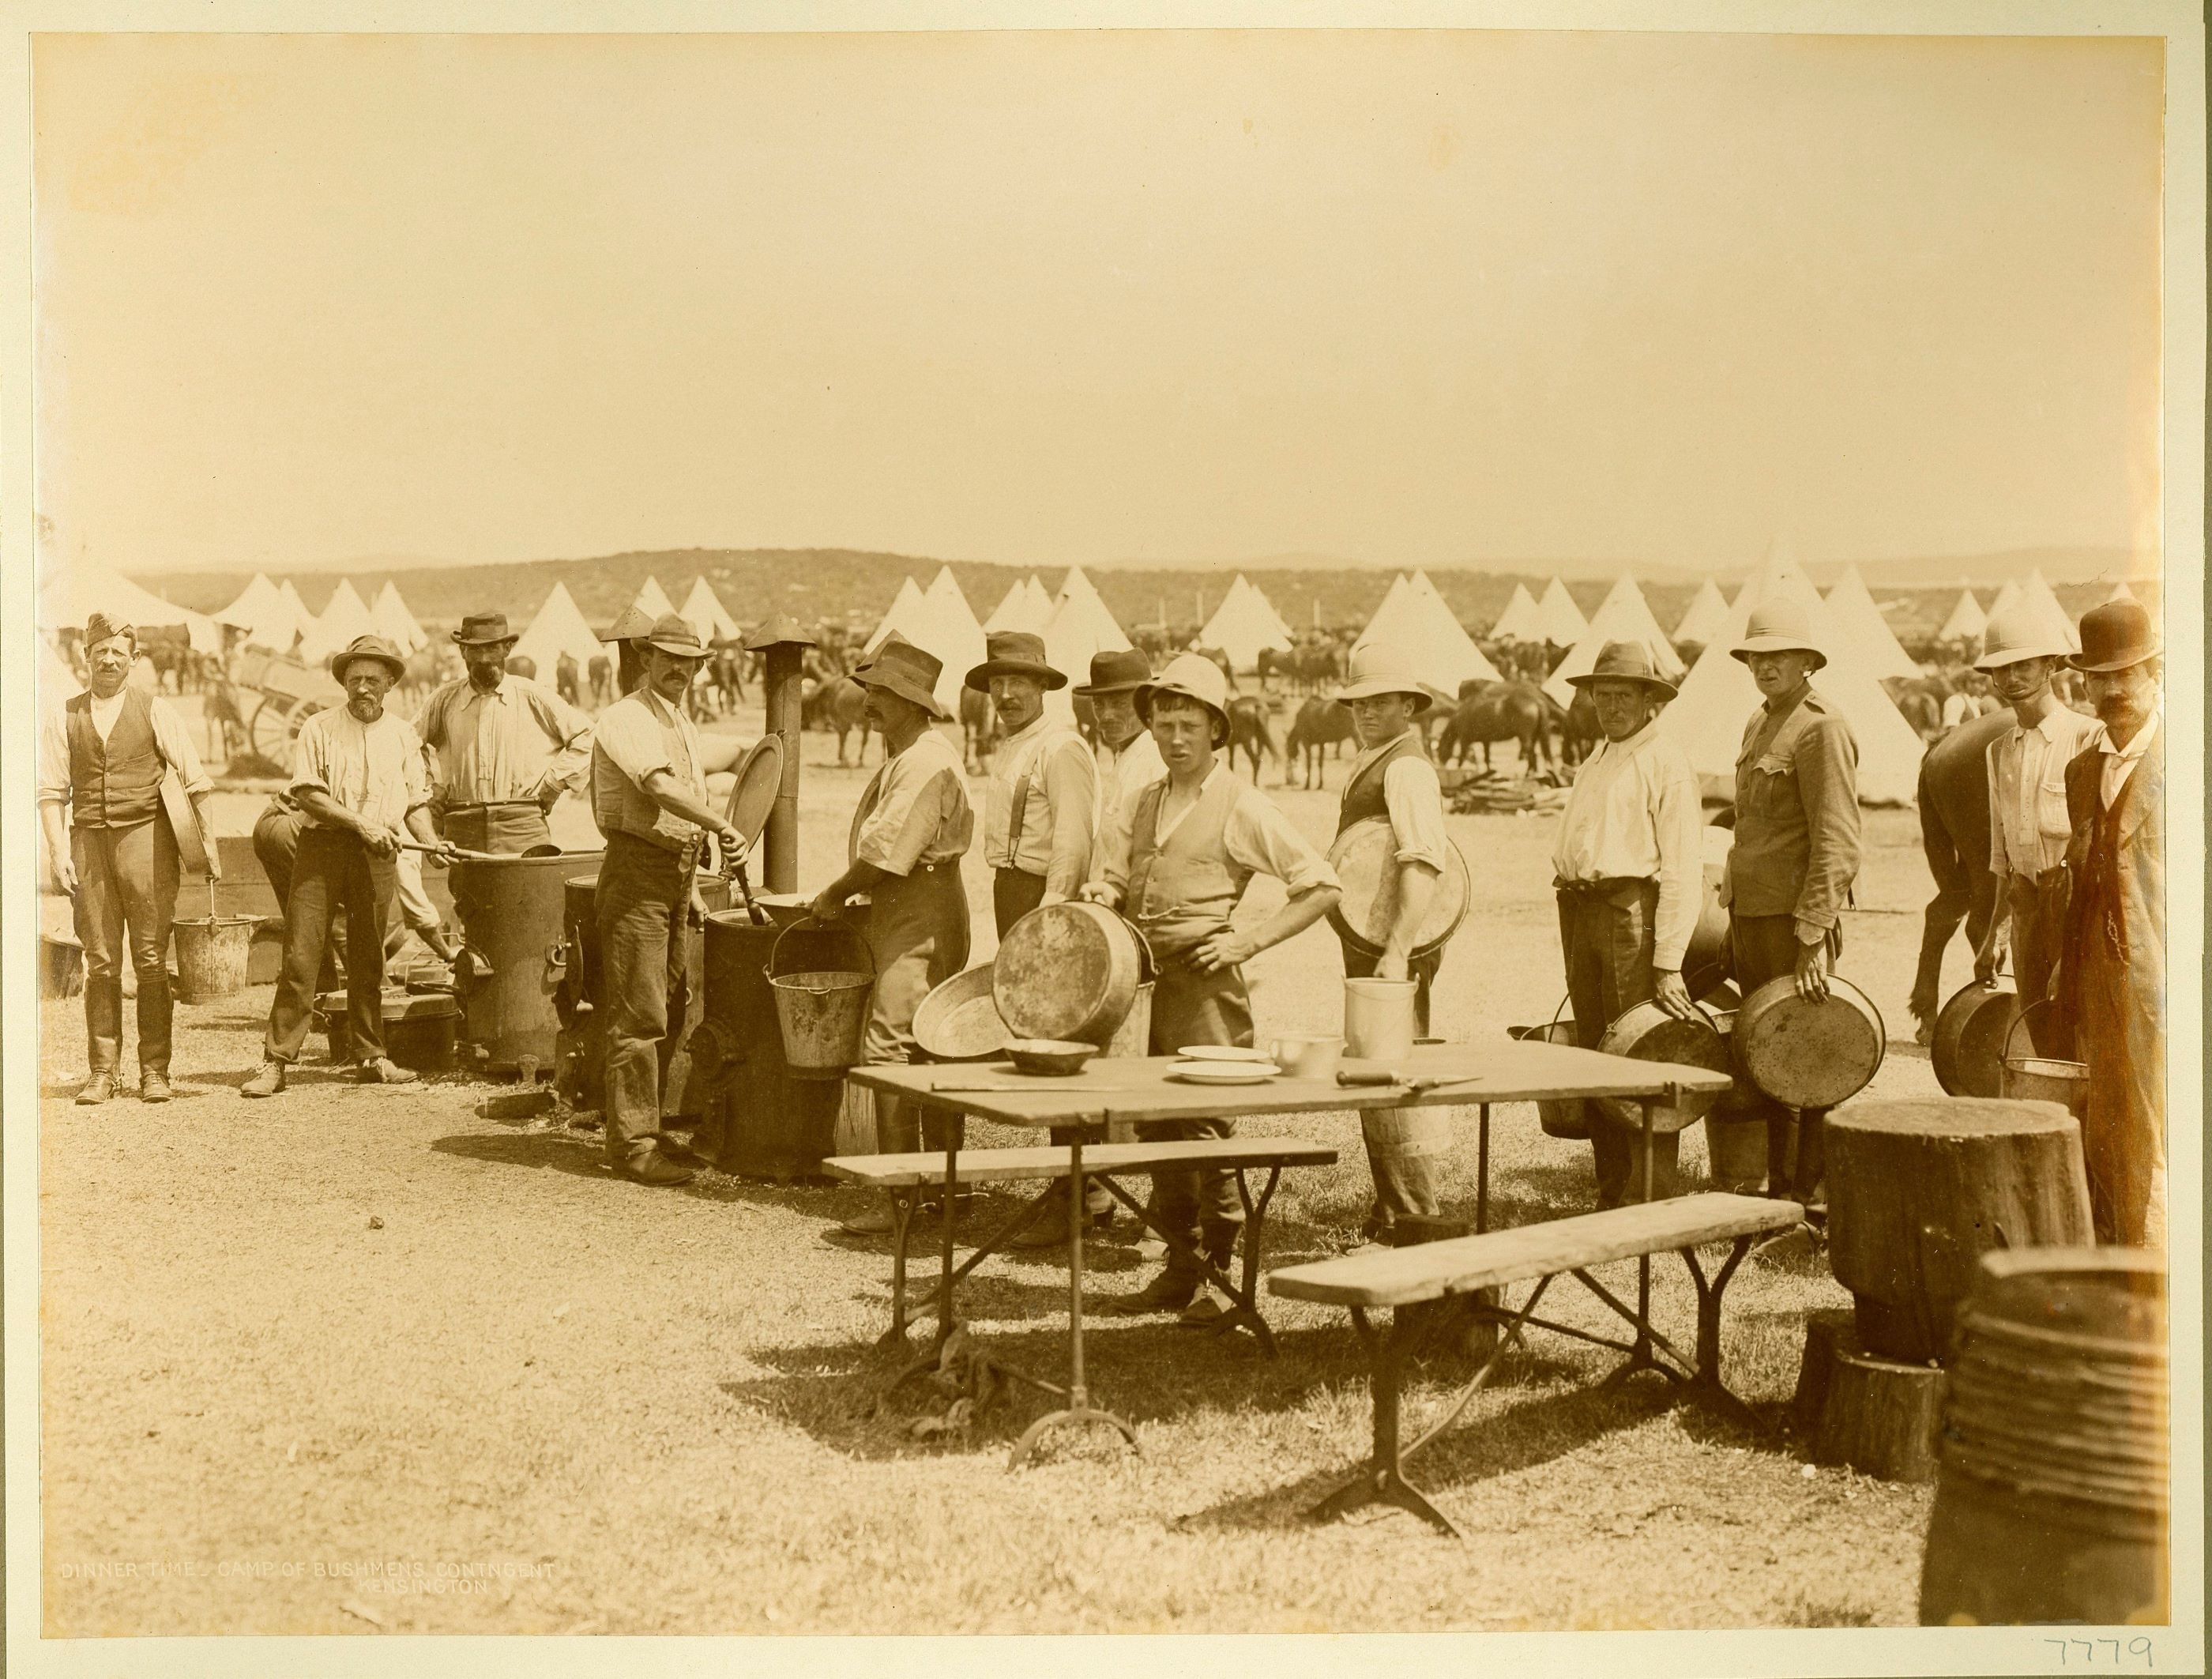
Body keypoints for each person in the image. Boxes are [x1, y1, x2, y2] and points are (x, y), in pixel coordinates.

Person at [1084, 653, 1341, 1323]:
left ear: (1216, 729)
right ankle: (1179, 1265)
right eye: (1164, 722)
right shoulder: (1142, 801)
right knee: (1159, 1124)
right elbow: (1114, 872)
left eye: (1188, 723)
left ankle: (1221, 1278)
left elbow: (1320, 885)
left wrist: (1246, 940)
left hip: (1205, 990)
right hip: (1144, 988)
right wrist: (1104, 889)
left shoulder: (1242, 803)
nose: (1173, 736)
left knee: (1209, 1128)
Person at [810, 636, 975, 1237]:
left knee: (889, 1046)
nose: (869, 702)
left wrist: (834, 893)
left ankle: (901, 1195)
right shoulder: (911, 753)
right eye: (871, 690)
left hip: (919, 908)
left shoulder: (925, 761)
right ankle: (945, 1188)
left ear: (913, 702)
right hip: (914, 904)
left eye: (882, 693)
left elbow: (885, 853)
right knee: (933, 1043)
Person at [242, 636, 455, 1097]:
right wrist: (361, 824)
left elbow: (416, 800)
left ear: (390, 685)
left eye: (372, 680)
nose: (363, 688)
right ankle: (276, 1062)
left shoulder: (403, 736)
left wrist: (432, 842)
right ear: (343, 682)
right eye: (354, 679)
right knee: (301, 954)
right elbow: (308, 794)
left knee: (368, 958)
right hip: (322, 848)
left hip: (376, 855)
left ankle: (372, 1056)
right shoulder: (318, 727)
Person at [589, 614, 748, 1187]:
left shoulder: (679, 719)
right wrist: (720, 825)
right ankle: (631, 1146)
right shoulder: (626, 717)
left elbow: (694, 776)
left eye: (691, 661)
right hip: (635, 874)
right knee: (639, 1013)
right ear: (645, 658)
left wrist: (692, 890)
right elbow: (656, 785)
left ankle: (647, 1131)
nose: (680, 670)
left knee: (672, 1003)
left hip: (673, 876)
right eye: (669, 659)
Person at [962, 630, 1110, 1248]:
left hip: (1044, 897)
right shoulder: (1014, 747)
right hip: (1011, 890)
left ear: (1044, 687)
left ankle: (1080, 1196)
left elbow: (1074, 840)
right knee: (1036, 1036)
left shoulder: (1063, 747)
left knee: (1056, 1042)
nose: (1006, 693)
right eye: (998, 683)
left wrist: (1052, 916)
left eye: (1019, 682)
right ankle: (1078, 1189)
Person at [39, 612, 219, 1105]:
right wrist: (58, 852)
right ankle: (103, 1072)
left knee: (151, 959)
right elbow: (51, 792)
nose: (110, 660)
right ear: (87, 658)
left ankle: (155, 1071)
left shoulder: (157, 710)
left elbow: (197, 784)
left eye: (120, 652)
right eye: (102, 652)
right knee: (100, 962)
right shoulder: (64, 715)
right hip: (88, 844)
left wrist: (209, 849)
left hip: (149, 843)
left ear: (134, 660)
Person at [1552, 642, 1705, 1207]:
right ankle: (1611, 1185)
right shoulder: (1600, 756)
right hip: (1581, 909)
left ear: (1649, 701)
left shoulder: (1664, 761)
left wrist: (1666, 962)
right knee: (1594, 1051)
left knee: (1637, 1049)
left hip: (1627, 915)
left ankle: (1648, 1192)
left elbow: (1684, 868)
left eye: (1624, 695)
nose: (1611, 705)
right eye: (1602, 694)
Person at [1719, 599, 1861, 1210]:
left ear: (1808, 661)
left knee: (1809, 1052)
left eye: (1779, 654)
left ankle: (1816, 1191)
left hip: (1792, 921)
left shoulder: (1819, 727)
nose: (1766, 664)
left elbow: (1837, 838)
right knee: (1763, 1051)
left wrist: (1811, 935)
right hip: (1751, 916)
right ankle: (1779, 1186)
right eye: (1757, 655)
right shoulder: (1758, 722)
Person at [1330, 644, 1454, 1237]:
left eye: (1381, 701)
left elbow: (1424, 861)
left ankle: (1417, 1216)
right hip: (1372, 941)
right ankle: (1392, 1207)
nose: (1368, 711)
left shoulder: (1407, 768)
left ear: (1409, 704)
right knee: (1373, 1066)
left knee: (1395, 1073)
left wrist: (1399, 950)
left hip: (1394, 948)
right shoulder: (1372, 758)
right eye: (1359, 701)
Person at [2052, 599, 2164, 1247]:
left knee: (2169, 1118)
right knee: (2111, 1119)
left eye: (2131, 672)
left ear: (2154, 672)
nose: (2116, 689)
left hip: (2171, 972)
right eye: (2102, 676)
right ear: (2084, 683)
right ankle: (2123, 1257)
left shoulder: (2190, 759)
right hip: (2100, 967)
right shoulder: (2081, 771)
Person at [1972, 601, 2105, 1048]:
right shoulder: (1999, 753)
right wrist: (1995, 933)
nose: (2011, 679)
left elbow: (2100, 854)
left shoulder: (2087, 737)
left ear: (2050, 665)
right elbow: (2001, 858)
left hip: (2075, 910)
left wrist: (2075, 944)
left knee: (2085, 1037)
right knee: (2042, 1038)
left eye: (2023, 666)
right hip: (2026, 909)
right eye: (2001, 669)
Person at [417, 611, 594, 853]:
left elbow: (587, 736)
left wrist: (554, 783)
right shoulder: (444, 700)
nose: (484, 658)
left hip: (522, 824)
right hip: (463, 824)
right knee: (466, 890)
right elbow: (407, 744)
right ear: (462, 652)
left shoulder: (532, 696)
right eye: (475, 650)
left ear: (507, 649)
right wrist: (428, 786)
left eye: (492, 649)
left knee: (527, 888)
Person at [1075, 649, 1165, 898]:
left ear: (1146, 704)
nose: (1106, 716)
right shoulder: (1126, 755)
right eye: (1098, 704)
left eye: (1119, 704)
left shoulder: (1153, 762)